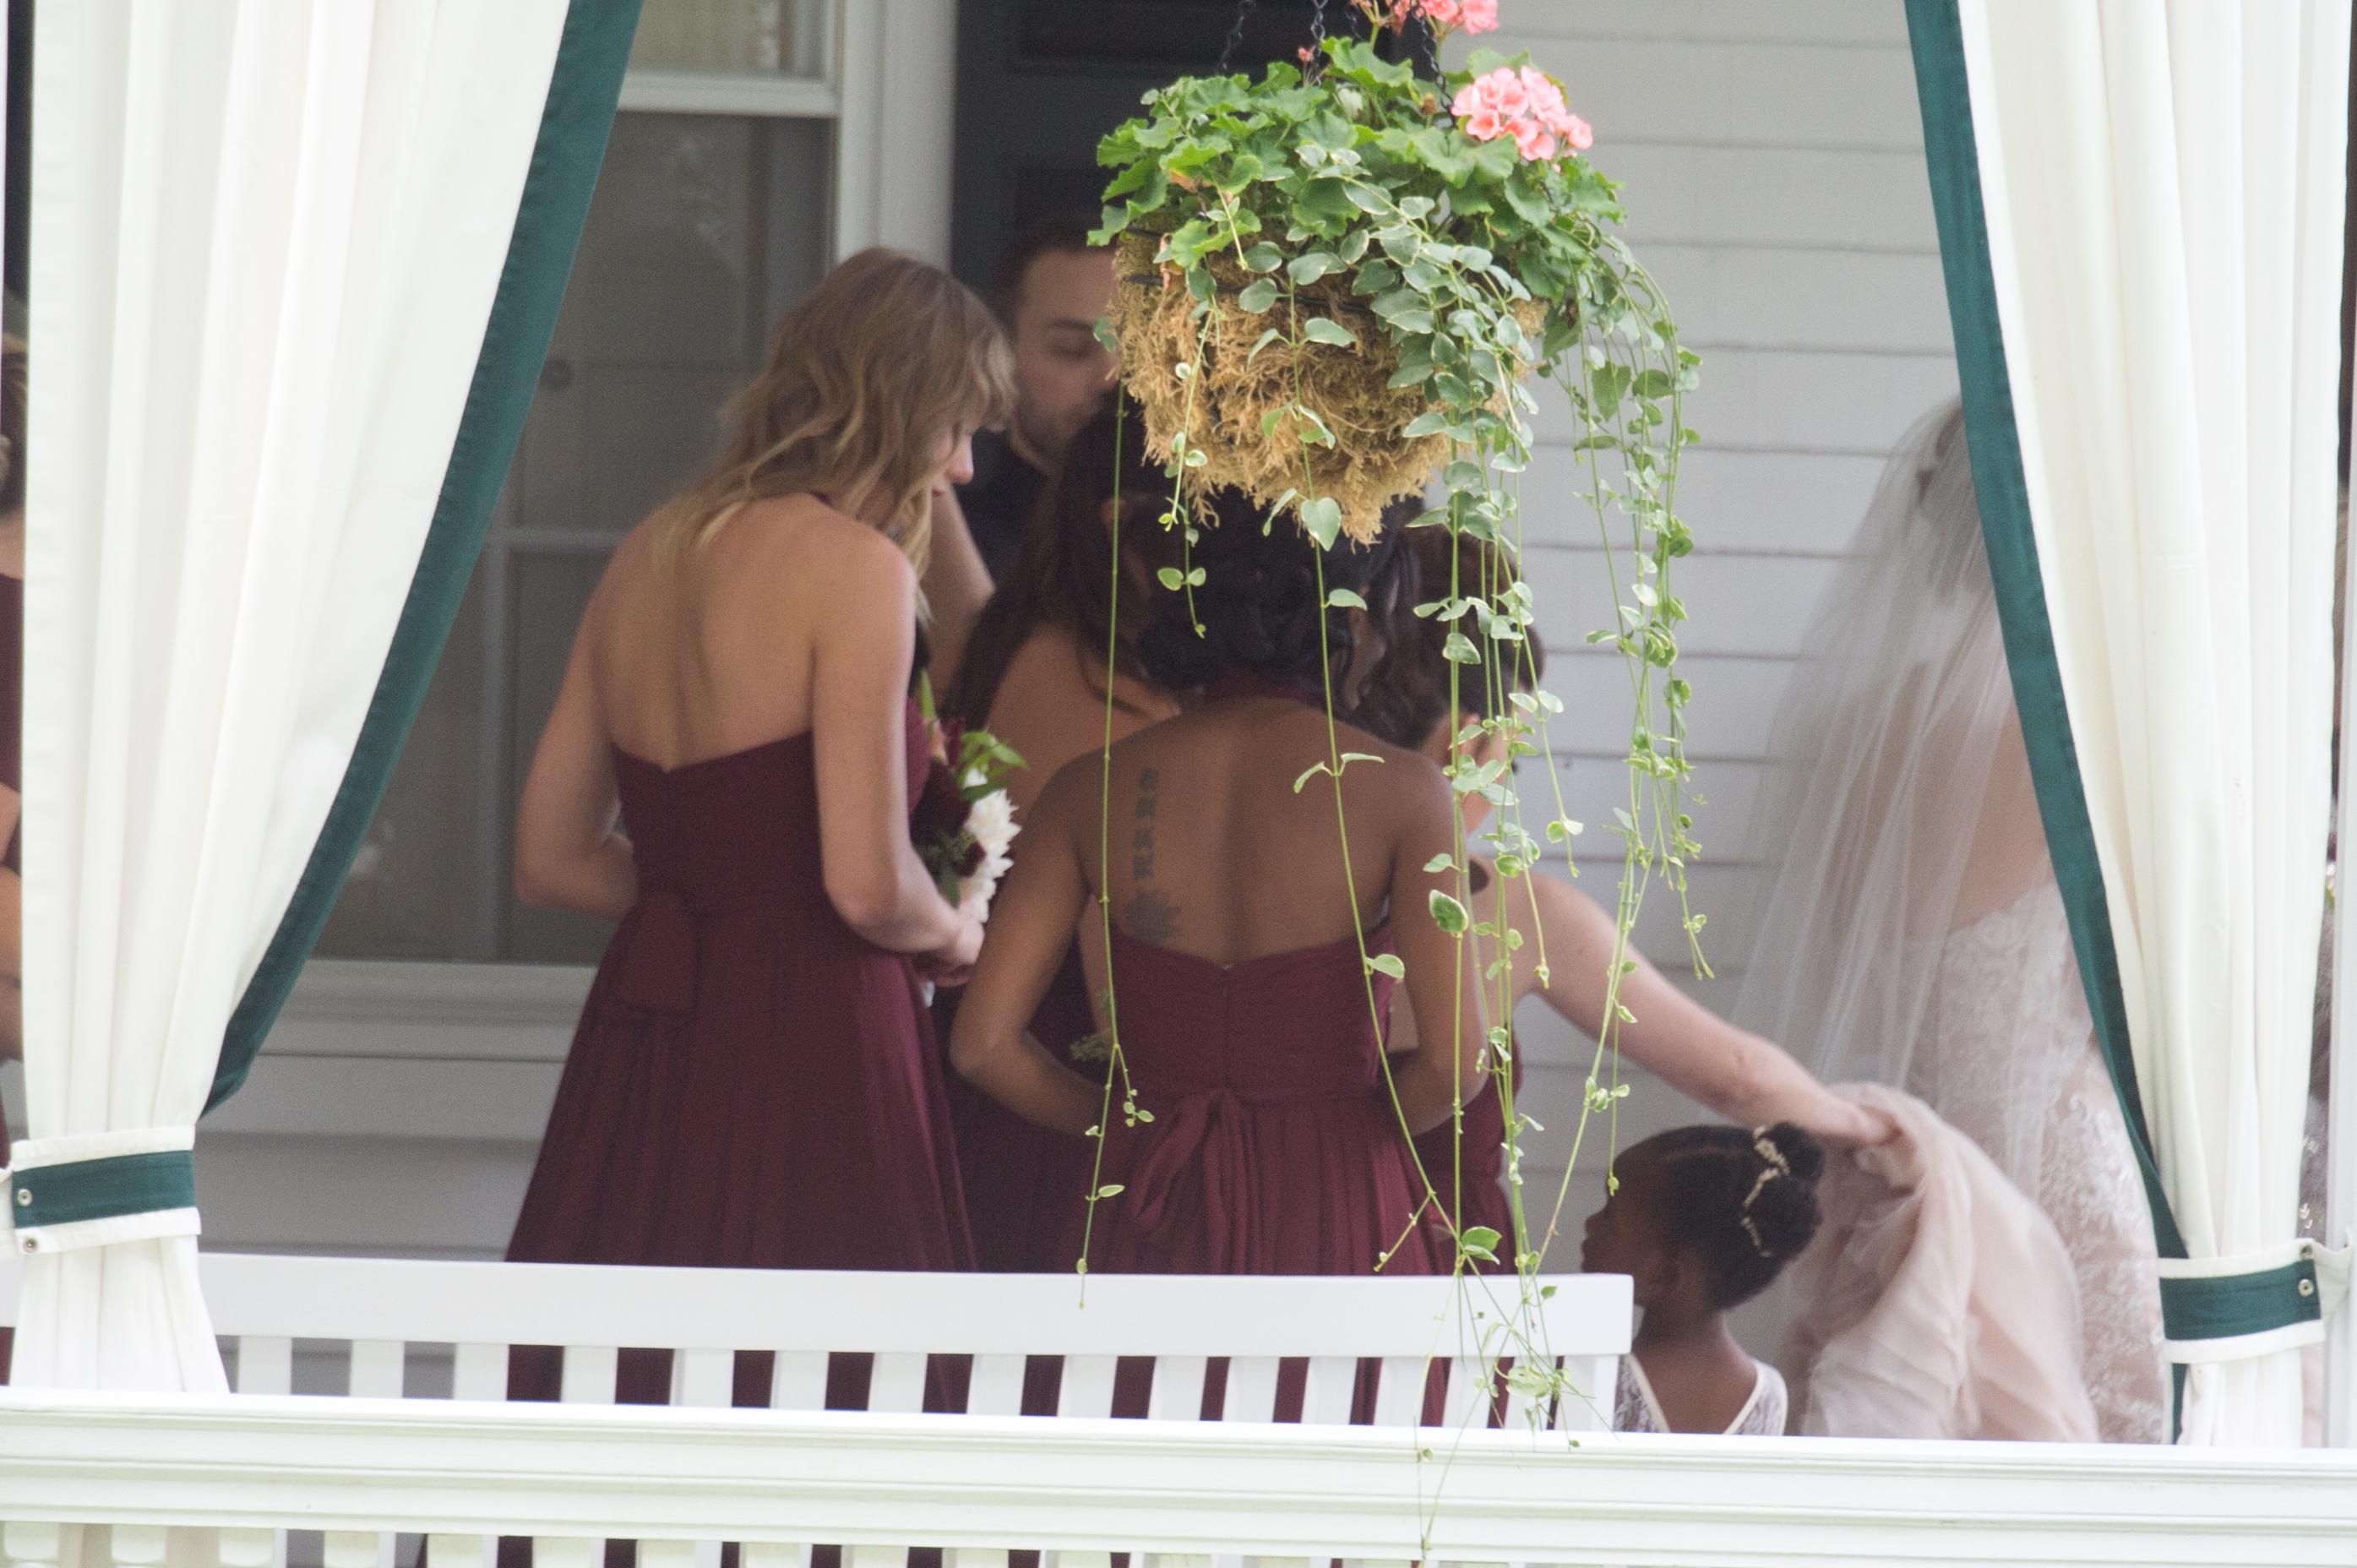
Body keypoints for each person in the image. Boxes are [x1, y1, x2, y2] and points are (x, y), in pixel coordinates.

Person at [504, 249, 1012, 1408]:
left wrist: (712, 900)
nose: (963, 467)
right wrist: (954, 930)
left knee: (632, 1375)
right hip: (815, 1029)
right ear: (894, 403)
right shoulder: (860, 571)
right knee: (836, 1383)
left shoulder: (653, 550)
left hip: (654, 1023)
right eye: (954, 430)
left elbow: (550, 857)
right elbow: (866, 885)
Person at [1733, 400, 2169, 1443]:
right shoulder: (2083, 741)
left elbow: (1857, 969)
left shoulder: (1863, 738)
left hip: (1912, 1163)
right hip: (2066, 1164)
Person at [950, 498, 1483, 1277]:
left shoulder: (1086, 790)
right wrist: (1348, 1133)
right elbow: (1456, 1064)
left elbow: (983, 1045)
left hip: (1147, 1194)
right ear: (1352, 620)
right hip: (1332, 1205)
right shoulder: (1407, 794)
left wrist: (1132, 1125)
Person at [1369, 530, 1887, 1265]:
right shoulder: (1520, 915)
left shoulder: (1258, 890)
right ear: (1472, 745)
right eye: (1509, 760)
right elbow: (1735, 1075)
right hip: (1436, 1300)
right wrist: (1874, 1129)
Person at [937, 395, 1185, 1272]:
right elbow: (1120, 984)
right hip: (1053, 1091)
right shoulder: (1111, 701)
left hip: (975, 1082)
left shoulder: (1004, 639)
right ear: (1128, 530)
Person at [1581, 1122, 1823, 1435]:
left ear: (1668, 1272)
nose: (1590, 1222)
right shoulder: (1768, 1393)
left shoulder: (1591, 1378)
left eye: (1610, 1215)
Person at [955, 216, 1117, 582]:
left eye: (1141, 351)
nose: (1113, 379)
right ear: (1003, 357)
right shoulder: (958, 546)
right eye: (1071, 349)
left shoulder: (1211, 542)